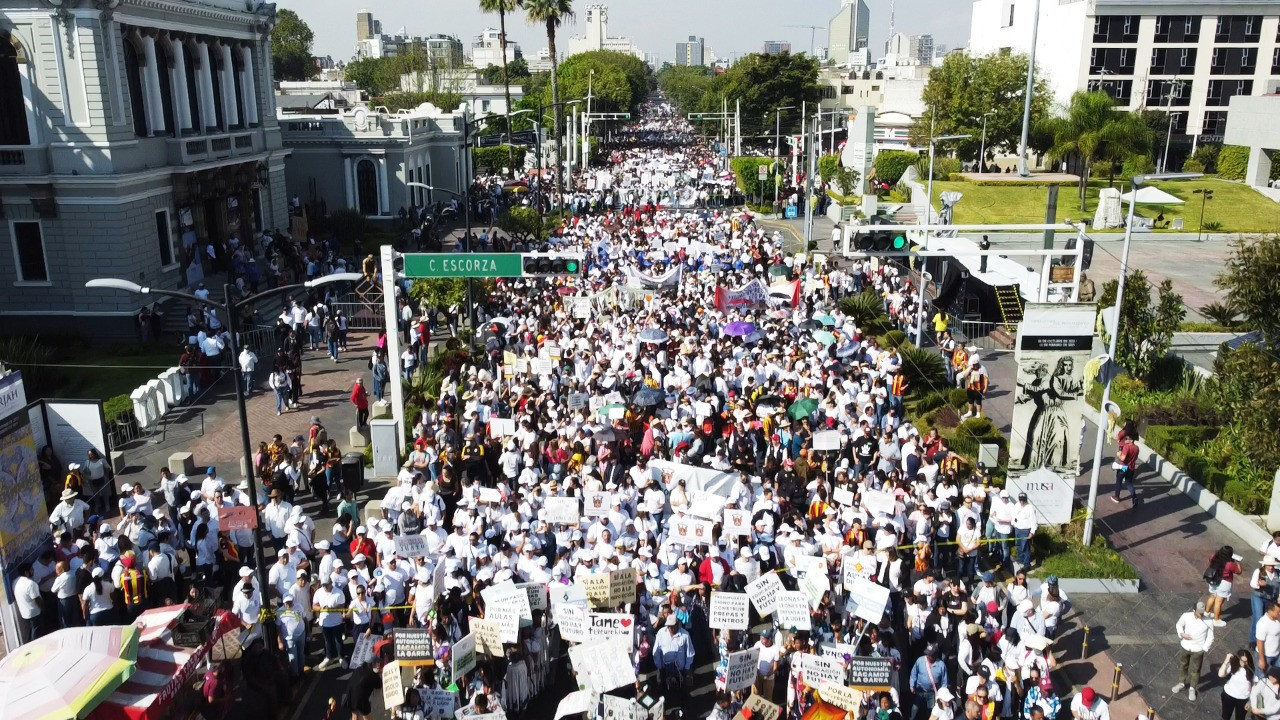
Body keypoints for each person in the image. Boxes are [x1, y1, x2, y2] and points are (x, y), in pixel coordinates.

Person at [1173, 600, 1215, 700]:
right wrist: (1181, 634)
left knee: (1195, 670)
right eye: (1199, 612)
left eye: (1202, 612)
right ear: (1194, 610)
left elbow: (1211, 636)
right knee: (1183, 665)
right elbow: (1179, 624)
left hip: (1198, 650)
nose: (1201, 614)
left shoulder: (1208, 621)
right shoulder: (1186, 616)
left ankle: (1192, 688)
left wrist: (1204, 648)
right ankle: (1182, 683)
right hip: (1185, 646)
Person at [653, 615, 694, 706]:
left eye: (673, 626)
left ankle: (682, 707)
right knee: (662, 688)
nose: (671, 628)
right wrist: (660, 666)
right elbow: (656, 652)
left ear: (677, 625)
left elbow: (690, 653)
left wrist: (687, 668)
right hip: (664, 667)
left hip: (680, 669)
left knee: (682, 689)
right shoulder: (660, 633)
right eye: (669, 626)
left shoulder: (685, 635)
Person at [1204, 547, 1243, 627]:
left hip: (1214, 579)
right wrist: (1238, 563)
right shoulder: (1230, 564)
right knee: (1219, 602)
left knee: (1212, 596)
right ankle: (1216, 620)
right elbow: (1239, 572)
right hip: (1224, 583)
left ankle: (1206, 612)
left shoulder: (1213, 556)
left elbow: (1210, 561)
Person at [1219, 649, 1255, 720]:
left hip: (1243, 699)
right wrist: (1226, 661)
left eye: (1246, 661)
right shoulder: (1233, 666)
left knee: (1240, 718)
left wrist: (1250, 701)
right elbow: (1220, 674)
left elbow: (1254, 687)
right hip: (1228, 695)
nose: (1244, 663)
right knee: (1225, 717)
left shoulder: (1252, 671)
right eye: (1242, 660)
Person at [12, 563, 43, 643]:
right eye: (32, 569)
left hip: (24, 612)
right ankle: (34, 644)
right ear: (26, 572)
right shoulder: (31, 584)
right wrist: (43, 608)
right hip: (34, 612)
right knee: (36, 631)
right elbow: (37, 600)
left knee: (32, 629)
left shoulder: (15, 582)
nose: (33, 571)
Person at [345, 654, 382, 720]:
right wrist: (378, 673)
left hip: (350, 695)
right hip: (361, 700)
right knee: (366, 715)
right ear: (372, 664)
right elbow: (379, 685)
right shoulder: (372, 675)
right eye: (377, 662)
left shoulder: (359, 669)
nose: (378, 664)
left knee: (354, 715)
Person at [1111, 433, 1140, 503]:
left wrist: (1119, 455)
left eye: (1127, 439)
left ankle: (1117, 497)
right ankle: (1134, 496)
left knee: (1119, 481)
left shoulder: (1127, 447)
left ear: (1131, 440)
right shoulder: (1136, 448)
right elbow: (1135, 457)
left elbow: (1123, 459)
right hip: (1131, 468)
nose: (1125, 440)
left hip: (1123, 467)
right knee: (1129, 483)